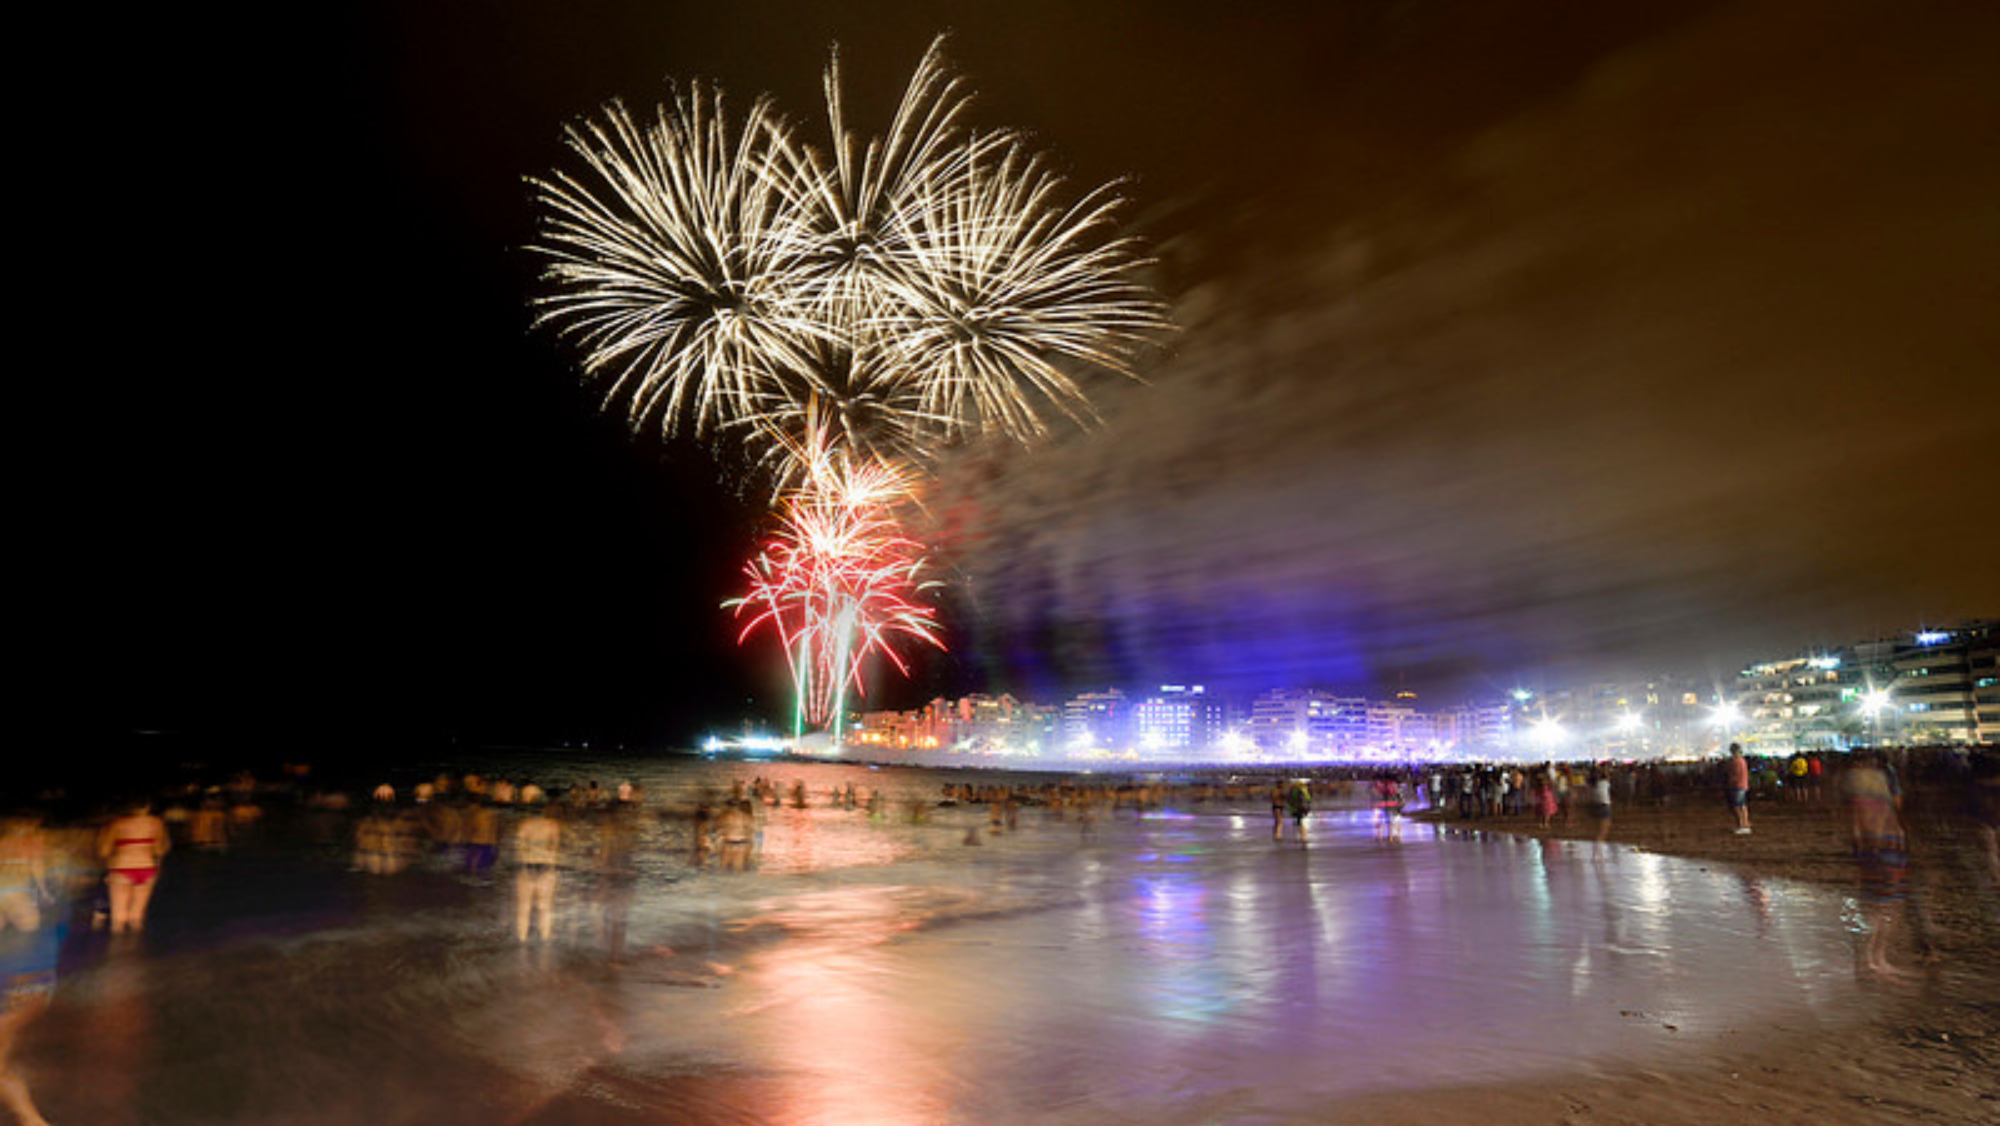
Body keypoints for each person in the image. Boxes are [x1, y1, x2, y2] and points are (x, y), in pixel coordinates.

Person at [97, 800, 171, 933]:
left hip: (121, 868)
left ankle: (118, 949)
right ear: (148, 806)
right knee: (137, 918)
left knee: (118, 919)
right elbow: (159, 851)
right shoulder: (156, 823)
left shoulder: (118, 824)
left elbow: (104, 851)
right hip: (147, 868)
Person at [514, 799, 563, 943]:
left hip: (527, 866)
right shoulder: (553, 825)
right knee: (546, 908)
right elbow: (555, 847)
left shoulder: (524, 825)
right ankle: (545, 939)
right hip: (546, 867)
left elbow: (520, 847)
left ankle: (522, 939)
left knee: (524, 907)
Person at [1726, 744, 1753, 834]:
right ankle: (1746, 824)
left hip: (1737, 785)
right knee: (1743, 806)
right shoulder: (1742, 760)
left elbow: (1735, 775)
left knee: (1737, 807)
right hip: (1744, 785)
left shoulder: (1735, 761)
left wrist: (1730, 783)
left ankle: (1741, 825)